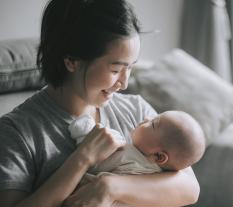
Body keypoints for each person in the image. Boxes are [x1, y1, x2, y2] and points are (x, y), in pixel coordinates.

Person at [0, 0, 201, 206]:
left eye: (130, 67)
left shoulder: (135, 110)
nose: (124, 83)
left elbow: (190, 188)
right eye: (115, 70)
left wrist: (109, 187)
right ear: (71, 61)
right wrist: (82, 159)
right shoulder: (16, 132)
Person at [69, 110, 206, 175]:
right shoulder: (157, 175)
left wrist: (85, 128)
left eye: (153, 124)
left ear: (158, 156)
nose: (146, 118)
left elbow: (95, 165)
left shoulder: (129, 158)